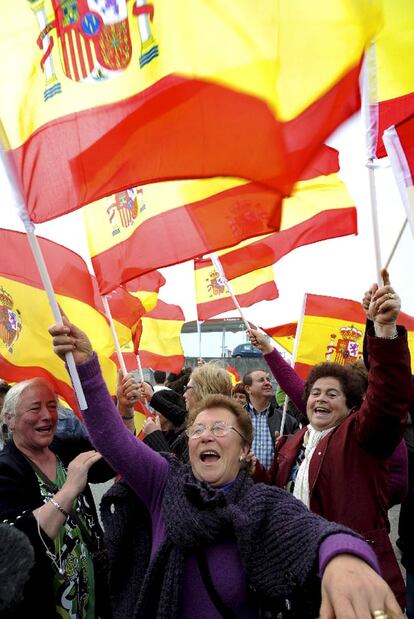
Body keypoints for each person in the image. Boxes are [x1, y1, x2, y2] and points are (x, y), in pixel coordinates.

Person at [49, 319, 404, 619]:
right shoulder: (164, 484)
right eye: (198, 429)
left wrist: (345, 558)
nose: (207, 436)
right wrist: (85, 367)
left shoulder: (262, 503)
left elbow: (313, 531)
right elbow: (111, 437)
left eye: (220, 429)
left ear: (243, 448)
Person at [248, 271, 413, 608]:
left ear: (352, 405)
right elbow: (279, 497)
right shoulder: (295, 443)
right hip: (301, 578)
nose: (320, 399)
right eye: (315, 392)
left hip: (361, 581)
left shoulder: (359, 437)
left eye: (332, 394)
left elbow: (389, 398)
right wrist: (256, 472)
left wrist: (382, 331)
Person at [0, 377, 115, 618]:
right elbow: (22, 539)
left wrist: (123, 412)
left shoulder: (64, 447)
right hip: (43, 603)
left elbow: (111, 462)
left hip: (92, 597)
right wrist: (70, 487)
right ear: (9, 419)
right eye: (35, 408)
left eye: (52, 406)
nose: (47, 415)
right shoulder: (6, 469)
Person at [242, 369, 299, 469]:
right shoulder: (235, 418)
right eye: (261, 380)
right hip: (242, 480)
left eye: (268, 379)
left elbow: (296, 453)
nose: (267, 383)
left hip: (275, 483)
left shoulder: (286, 420)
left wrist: (286, 444)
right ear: (248, 389)